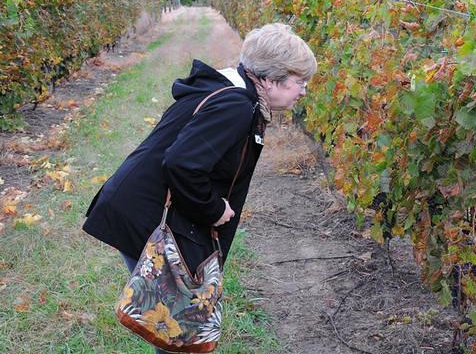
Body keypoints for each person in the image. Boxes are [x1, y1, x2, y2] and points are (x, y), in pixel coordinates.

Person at [82, 23, 317, 353]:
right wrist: (214, 208)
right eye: (299, 82)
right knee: (177, 326)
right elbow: (182, 163)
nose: (303, 91)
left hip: (145, 208)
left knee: (175, 323)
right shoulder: (236, 106)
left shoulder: (228, 91)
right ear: (269, 77)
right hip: (146, 215)